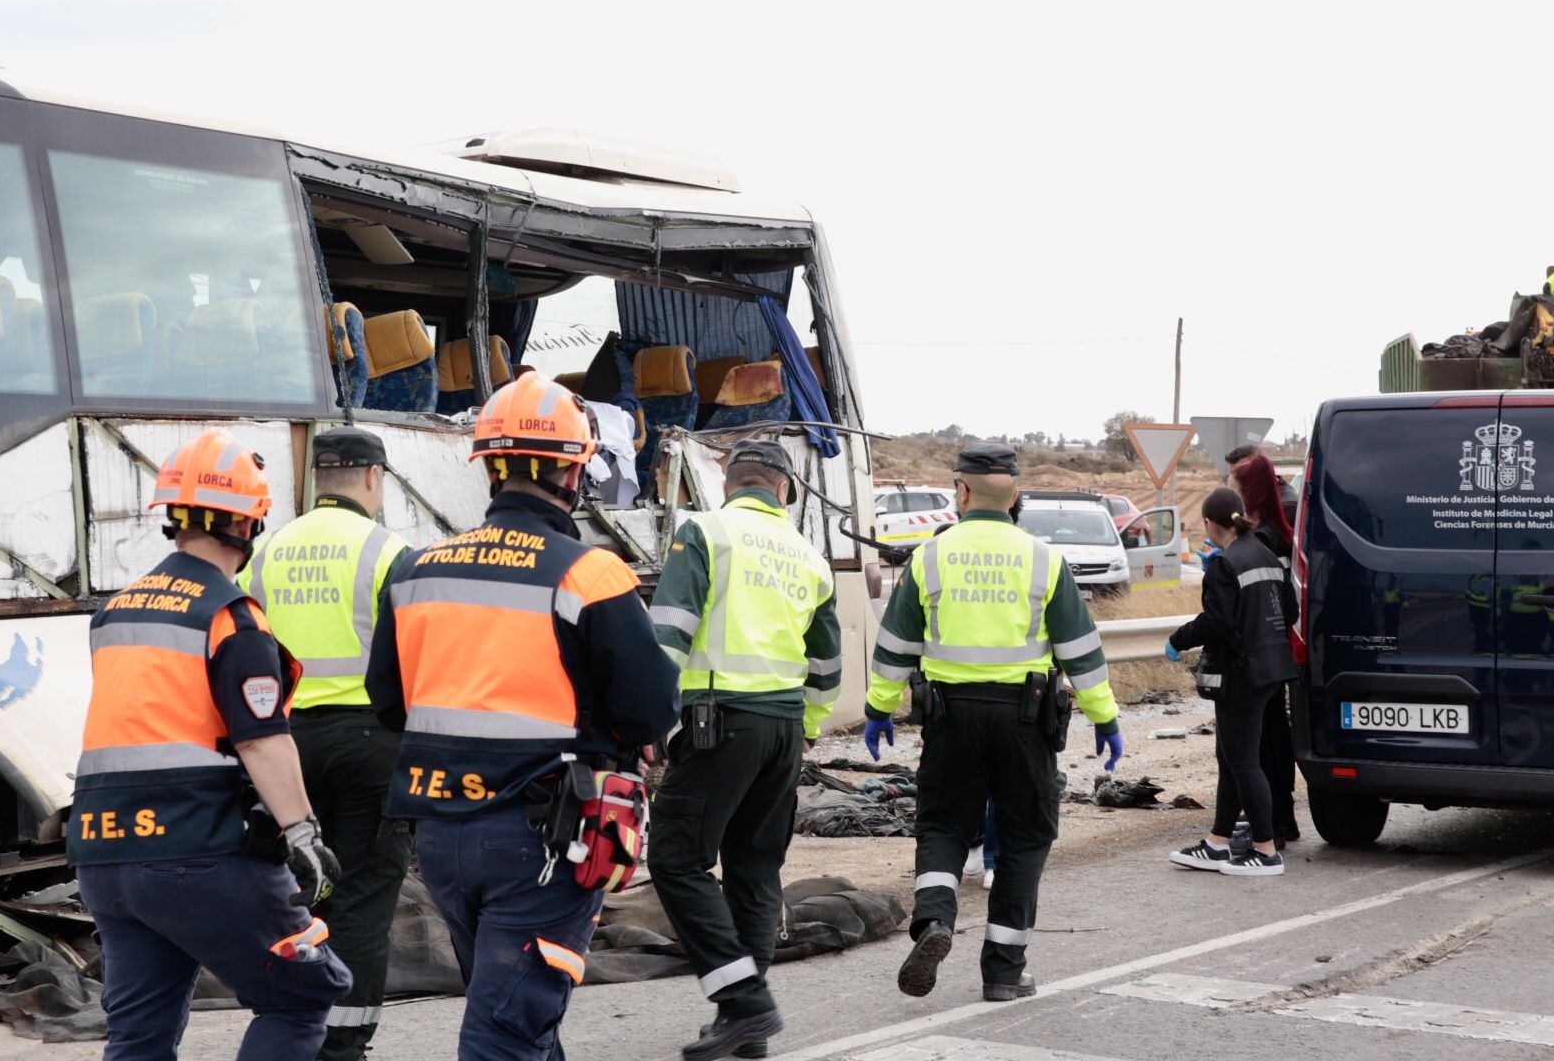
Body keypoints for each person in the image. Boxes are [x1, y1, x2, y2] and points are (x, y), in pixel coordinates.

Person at [366, 372, 678, 1061]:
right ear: (574, 470)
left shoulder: (416, 571)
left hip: (442, 836)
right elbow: (652, 707)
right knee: (508, 1030)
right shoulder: (589, 573)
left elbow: (390, 703)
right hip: (542, 838)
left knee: (519, 1012)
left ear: (489, 466)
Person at [72, 430, 350, 1061]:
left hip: (102, 854)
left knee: (138, 1036)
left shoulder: (114, 613)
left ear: (172, 514)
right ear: (250, 521)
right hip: (195, 850)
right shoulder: (230, 615)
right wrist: (303, 834)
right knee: (300, 995)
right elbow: (262, 741)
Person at [864, 443, 1123, 1003]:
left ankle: (933, 920)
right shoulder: (1043, 559)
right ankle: (1004, 971)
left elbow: (896, 647)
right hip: (1024, 722)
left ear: (961, 491)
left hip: (949, 718)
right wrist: (1105, 718)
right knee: (1026, 836)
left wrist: (878, 707)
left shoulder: (930, 557)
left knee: (942, 826)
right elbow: (1081, 650)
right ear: (1015, 495)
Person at [647, 440, 841, 1060]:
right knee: (756, 870)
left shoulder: (705, 531)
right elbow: (828, 663)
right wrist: (809, 723)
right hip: (784, 729)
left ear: (728, 483)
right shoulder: (810, 556)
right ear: (785, 489)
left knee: (677, 860)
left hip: (719, 723)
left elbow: (671, 626)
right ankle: (746, 1023)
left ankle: (747, 1002)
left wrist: (649, 715)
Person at [235, 427, 411, 1061]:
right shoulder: (390, 550)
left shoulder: (266, 551)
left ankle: (298, 1024)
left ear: (317, 480)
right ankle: (343, 1042)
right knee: (363, 894)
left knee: (303, 889)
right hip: (371, 741)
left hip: (287, 745)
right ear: (372, 477)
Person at [1164, 487, 1300, 877]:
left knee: (1243, 762)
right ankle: (1218, 843)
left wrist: (1178, 639)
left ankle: (1265, 851)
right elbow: (1288, 610)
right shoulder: (1265, 553)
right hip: (1271, 669)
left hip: (1241, 674)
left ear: (1210, 522)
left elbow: (1217, 621)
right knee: (1230, 759)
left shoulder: (1225, 564)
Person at [1229, 451, 1302, 845]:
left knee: (1261, 740)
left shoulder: (1262, 537)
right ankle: (1281, 817)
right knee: (1275, 731)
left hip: (1260, 648)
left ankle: (1270, 824)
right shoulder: (1282, 524)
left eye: (1237, 487)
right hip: (1277, 645)